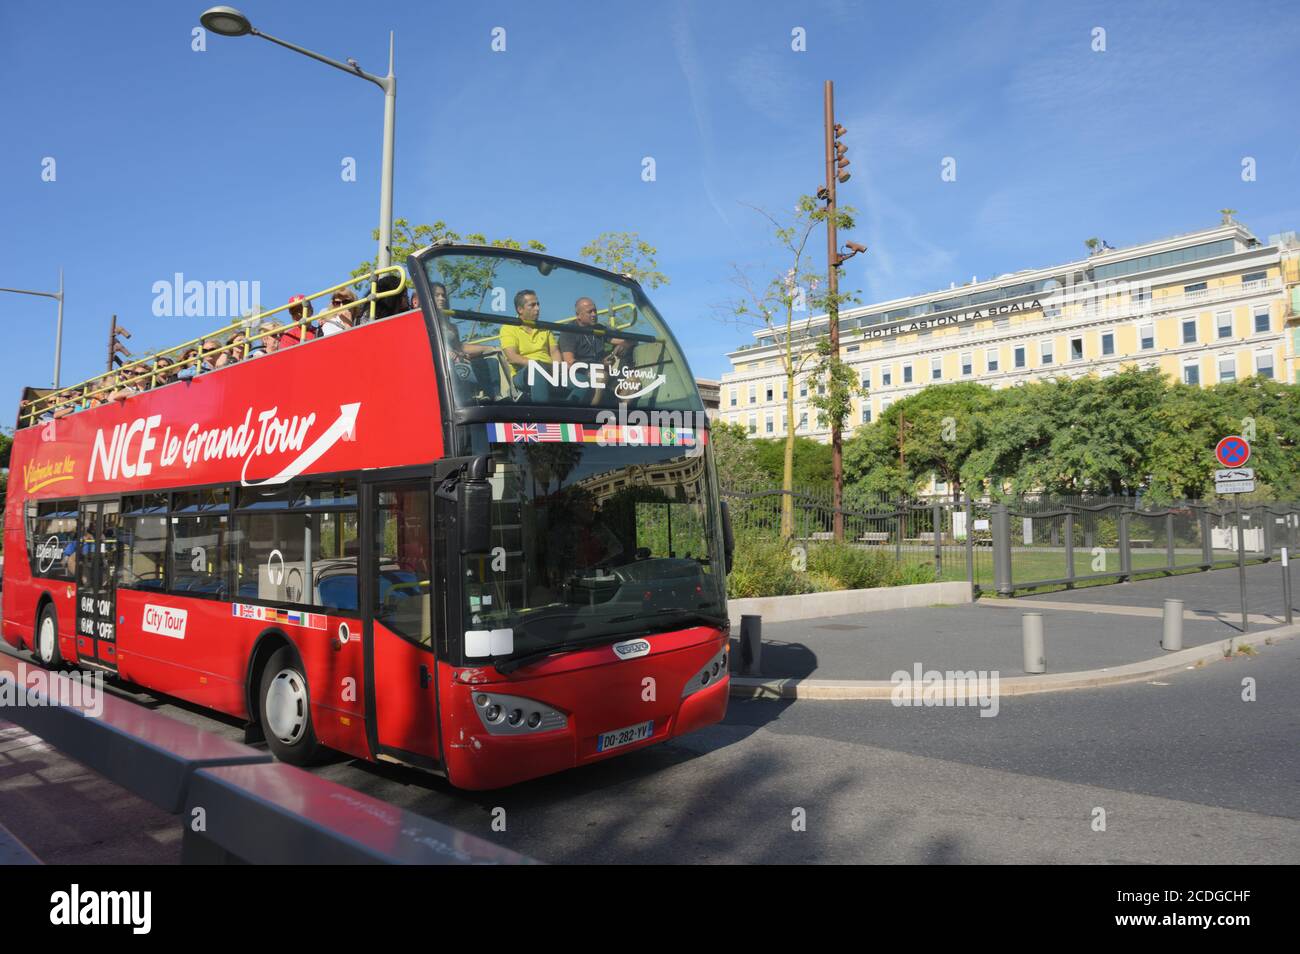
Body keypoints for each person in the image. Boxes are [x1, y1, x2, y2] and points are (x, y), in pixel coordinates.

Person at [557, 296, 630, 405]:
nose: (594, 315)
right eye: (589, 312)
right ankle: (592, 415)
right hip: (580, 373)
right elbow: (569, 362)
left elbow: (625, 340)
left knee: (633, 383)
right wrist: (600, 365)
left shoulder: (599, 329)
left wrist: (624, 345)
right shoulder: (569, 331)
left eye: (595, 311)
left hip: (603, 371)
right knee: (601, 376)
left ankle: (619, 417)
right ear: (578, 316)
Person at [499, 289, 561, 402]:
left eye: (538, 304)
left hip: (550, 371)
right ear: (520, 309)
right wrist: (538, 365)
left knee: (582, 381)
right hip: (522, 374)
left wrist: (556, 369)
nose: (537, 308)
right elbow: (512, 357)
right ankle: (541, 416)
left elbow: (555, 352)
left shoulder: (544, 327)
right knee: (537, 369)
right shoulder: (508, 328)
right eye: (532, 305)